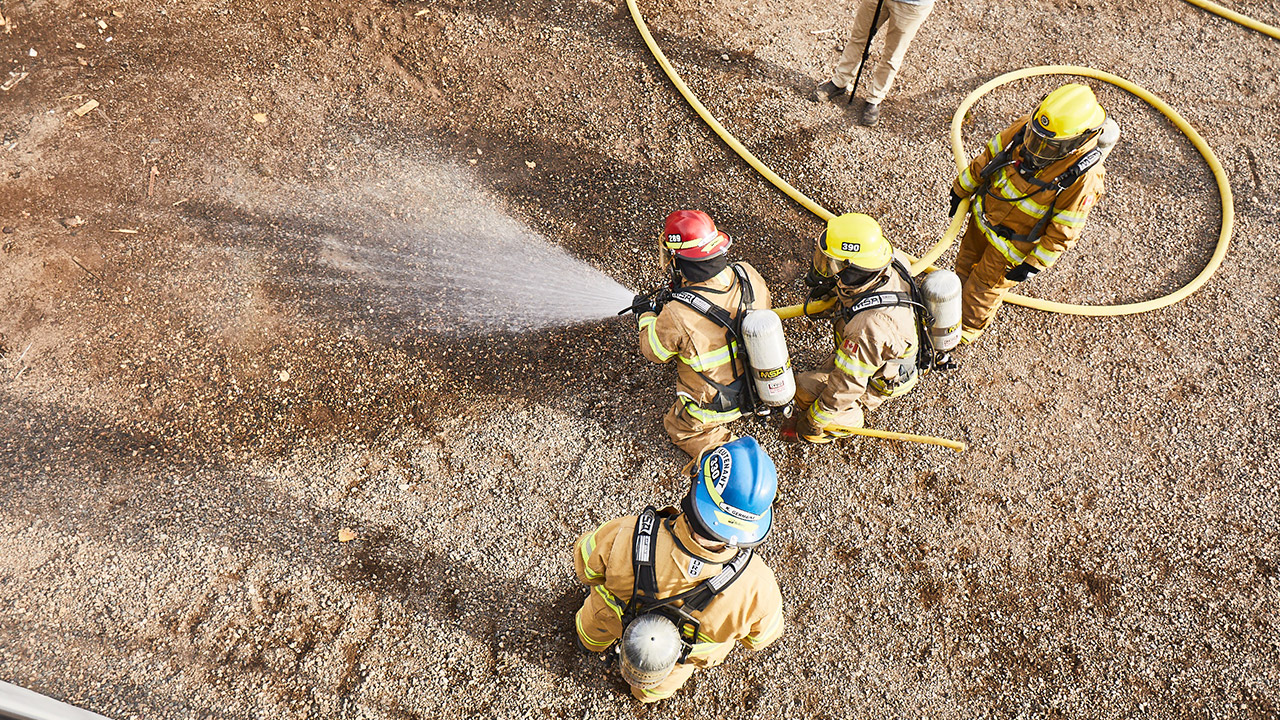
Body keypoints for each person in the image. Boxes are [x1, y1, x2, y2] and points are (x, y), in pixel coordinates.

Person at [572, 436, 785, 703]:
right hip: (679, 659)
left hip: (610, 620)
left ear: (696, 490)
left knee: (593, 625)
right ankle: (645, 694)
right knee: (658, 685)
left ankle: (588, 643)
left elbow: (585, 566)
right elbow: (759, 639)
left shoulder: (625, 534)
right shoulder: (759, 588)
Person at [948, 83, 1109, 344]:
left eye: (1049, 146)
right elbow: (989, 156)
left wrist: (1032, 266)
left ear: (1076, 140)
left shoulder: (1084, 178)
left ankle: (964, 333)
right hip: (982, 221)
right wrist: (961, 188)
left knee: (981, 290)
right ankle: (947, 313)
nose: (1035, 148)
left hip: (1010, 249)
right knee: (963, 265)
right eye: (1036, 138)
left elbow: (1063, 232)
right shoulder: (1027, 128)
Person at [632, 210, 772, 475]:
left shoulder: (677, 314)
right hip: (762, 383)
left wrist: (646, 315)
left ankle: (743, 465)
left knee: (679, 427)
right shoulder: (747, 274)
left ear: (678, 258)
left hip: (717, 405)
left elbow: (652, 351)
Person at [782, 213, 922, 443]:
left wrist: (813, 421)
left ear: (853, 270)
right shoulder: (889, 261)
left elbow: (846, 386)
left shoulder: (868, 329)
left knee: (803, 389)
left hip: (881, 376)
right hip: (878, 348)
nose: (826, 268)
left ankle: (850, 419)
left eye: (832, 264)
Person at [813, 0, 936, 126]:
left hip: (912, 5)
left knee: (893, 54)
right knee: (858, 38)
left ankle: (874, 99)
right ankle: (839, 82)